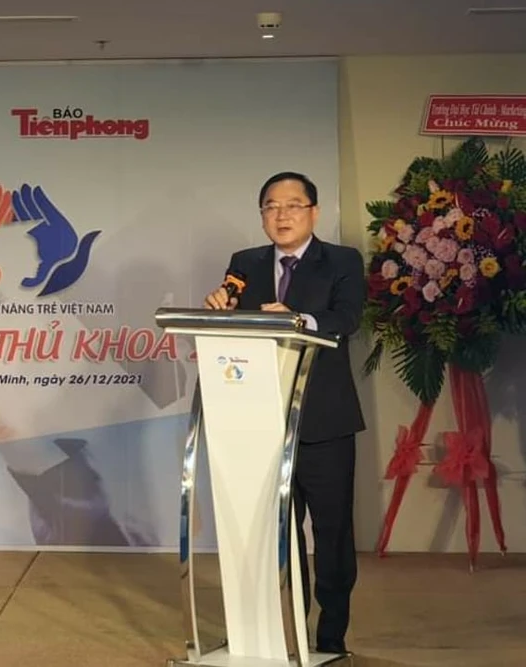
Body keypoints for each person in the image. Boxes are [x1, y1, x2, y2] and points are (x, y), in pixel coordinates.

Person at [203, 171, 365, 655]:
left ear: (314, 212)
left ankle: (330, 638)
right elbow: (235, 324)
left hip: (324, 422)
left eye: (293, 205)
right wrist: (221, 310)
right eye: (271, 206)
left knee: (332, 535)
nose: (282, 215)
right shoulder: (245, 263)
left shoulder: (342, 260)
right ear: (262, 216)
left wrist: (298, 321)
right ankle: (277, 630)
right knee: (273, 535)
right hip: (259, 422)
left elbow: (347, 319)